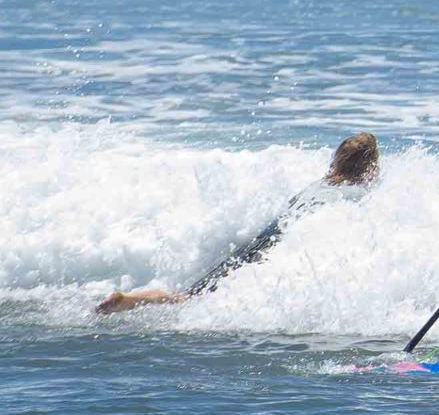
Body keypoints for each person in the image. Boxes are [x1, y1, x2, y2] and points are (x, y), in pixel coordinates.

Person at [96, 134, 381, 313]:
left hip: (263, 238)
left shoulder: (317, 185)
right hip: (278, 249)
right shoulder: (353, 194)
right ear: (368, 166)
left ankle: (131, 299)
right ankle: (130, 301)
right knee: (191, 299)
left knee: (190, 295)